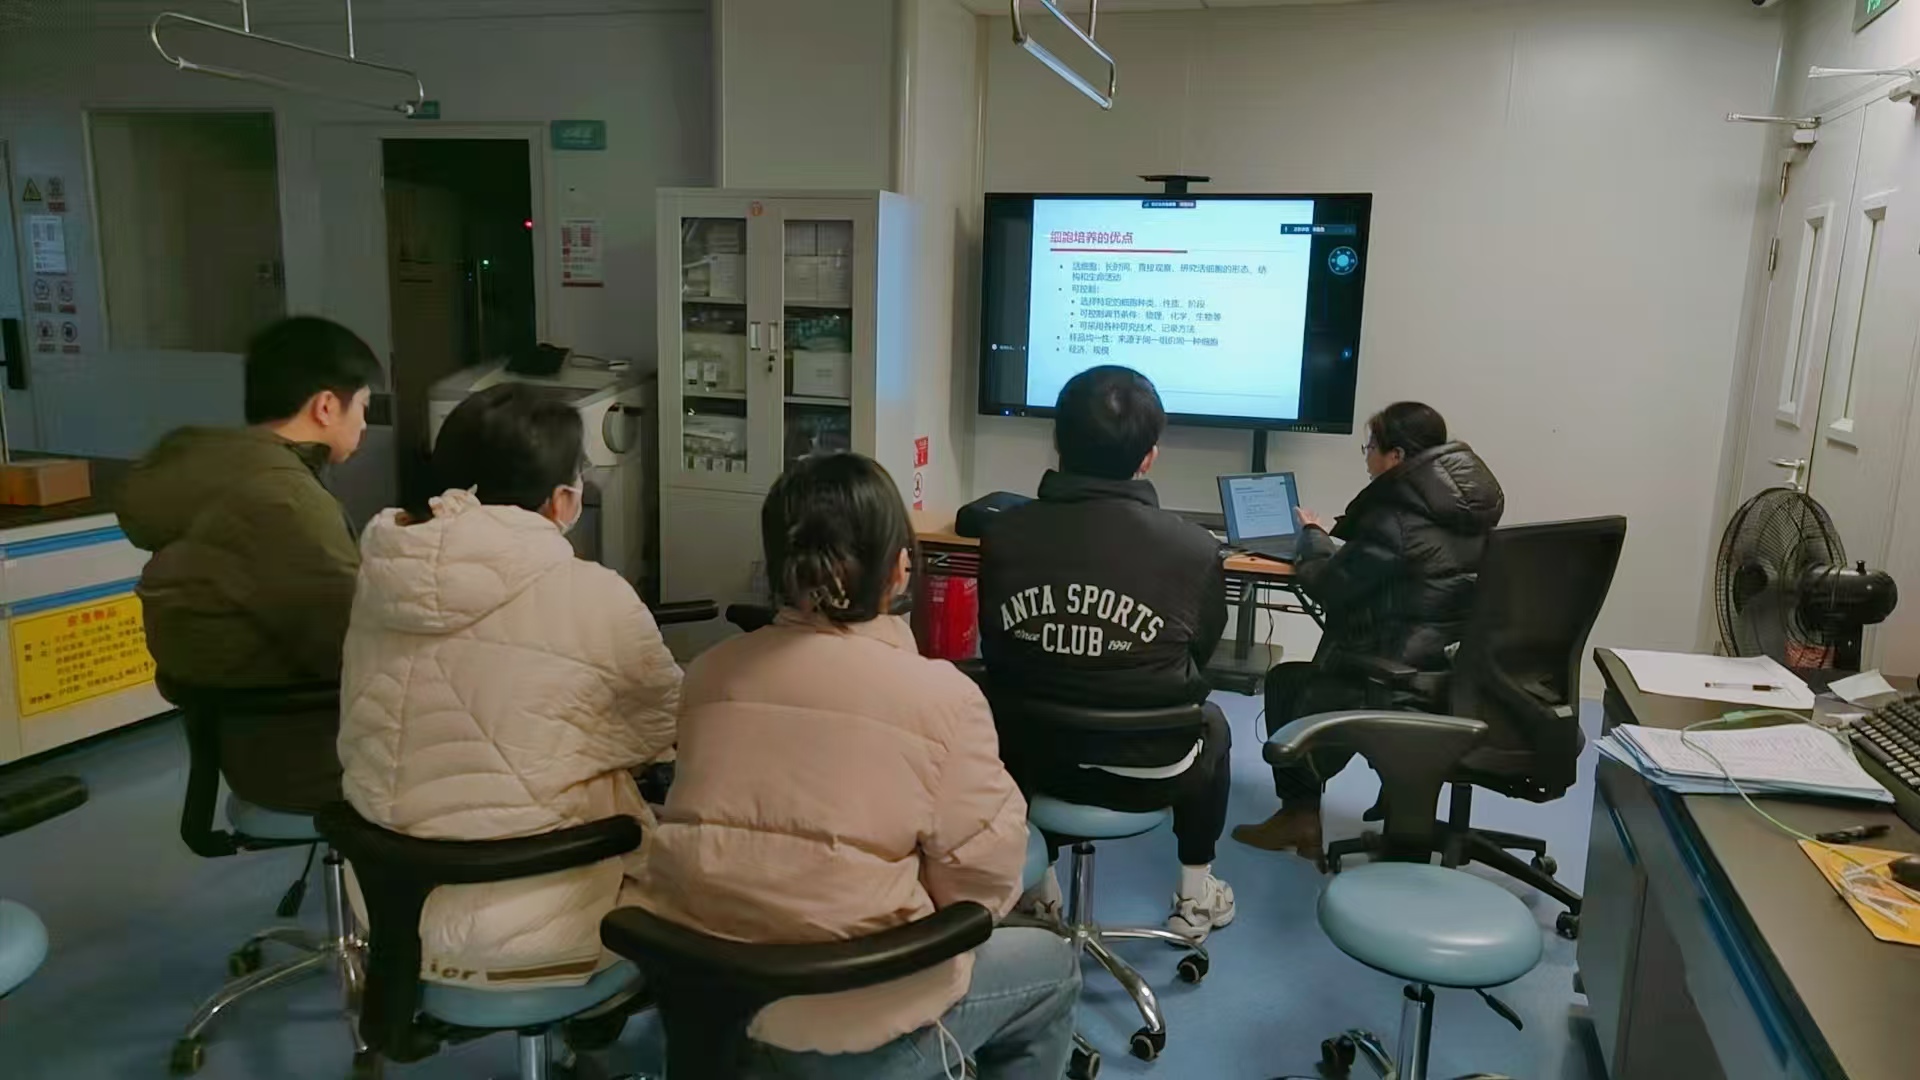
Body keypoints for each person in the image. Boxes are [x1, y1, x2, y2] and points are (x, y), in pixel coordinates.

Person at [636, 453, 1078, 1079]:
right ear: (899, 568)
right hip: (852, 1025)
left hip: (713, 1005)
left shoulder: (709, 672)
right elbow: (982, 884)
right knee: (1053, 967)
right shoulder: (941, 699)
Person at [336, 382, 682, 990]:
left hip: (389, 911)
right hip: (544, 926)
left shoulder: (383, 578)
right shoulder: (594, 594)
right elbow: (666, 731)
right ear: (564, 499)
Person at [977, 366, 1235, 943]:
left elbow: (997, 646)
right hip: (1150, 773)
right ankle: (1195, 896)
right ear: (1149, 457)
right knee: (1213, 723)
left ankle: (1038, 891)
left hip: (1028, 763)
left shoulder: (1002, 536)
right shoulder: (1194, 549)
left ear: (1058, 441)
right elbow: (1200, 657)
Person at [120, 315, 379, 812]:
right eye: (364, 407)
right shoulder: (282, 499)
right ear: (327, 406)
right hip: (310, 753)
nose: (365, 423)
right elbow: (354, 644)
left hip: (247, 740)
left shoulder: (218, 473)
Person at [1233, 401, 1504, 856]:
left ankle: (1299, 817)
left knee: (1285, 681)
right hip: (1453, 671)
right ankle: (1402, 793)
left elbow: (1330, 586)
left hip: (1397, 677)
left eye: (1370, 448)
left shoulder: (1394, 520)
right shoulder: (1470, 510)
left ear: (1396, 456)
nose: (1366, 457)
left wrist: (1313, 536)